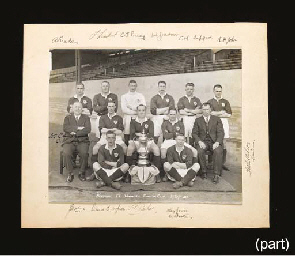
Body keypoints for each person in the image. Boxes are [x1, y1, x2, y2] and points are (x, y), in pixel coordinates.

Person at [87, 101, 127, 181]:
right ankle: (94, 172)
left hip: (117, 138)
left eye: (112, 106)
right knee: (95, 148)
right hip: (104, 138)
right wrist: (113, 129)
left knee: (125, 148)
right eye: (109, 106)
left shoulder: (119, 118)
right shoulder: (103, 117)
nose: (111, 108)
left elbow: (120, 131)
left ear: (115, 107)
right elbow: (102, 130)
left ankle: (125, 173)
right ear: (107, 107)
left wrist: (109, 130)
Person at [160, 107, 198, 181]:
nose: (172, 116)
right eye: (171, 114)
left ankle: (192, 173)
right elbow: (166, 136)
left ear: (176, 114)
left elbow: (181, 135)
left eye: (174, 114)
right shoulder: (165, 123)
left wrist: (171, 133)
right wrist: (175, 133)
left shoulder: (180, 123)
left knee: (194, 151)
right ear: (168, 114)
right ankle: (165, 173)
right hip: (168, 141)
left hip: (180, 140)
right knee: (163, 152)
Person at [126, 104, 161, 182]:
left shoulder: (150, 122)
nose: (141, 112)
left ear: (145, 111)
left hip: (148, 141)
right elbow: (132, 134)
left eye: (143, 110)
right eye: (139, 110)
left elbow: (151, 134)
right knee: (129, 148)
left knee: (156, 149)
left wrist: (139, 134)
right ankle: (128, 174)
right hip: (136, 141)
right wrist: (143, 134)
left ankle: (157, 173)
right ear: (137, 112)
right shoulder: (133, 122)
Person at [192, 102, 224, 184]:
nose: (205, 111)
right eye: (204, 109)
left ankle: (216, 174)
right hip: (203, 142)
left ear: (210, 110)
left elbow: (220, 133)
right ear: (202, 110)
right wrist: (199, 141)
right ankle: (203, 172)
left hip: (214, 142)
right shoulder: (198, 120)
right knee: (199, 151)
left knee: (218, 151)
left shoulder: (217, 119)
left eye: (207, 109)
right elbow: (194, 133)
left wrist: (217, 142)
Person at [62, 102, 91, 182]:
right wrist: (78, 128)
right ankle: (70, 173)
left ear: (82, 109)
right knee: (66, 153)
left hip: (82, 140)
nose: (77, 109)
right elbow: (65, 128)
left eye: (79, 107)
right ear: (72, 108)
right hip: (69, 140)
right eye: (76, 107)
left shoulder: (86, 118)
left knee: (84, 153)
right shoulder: (67, 118)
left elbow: (87, 129)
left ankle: (82, 172)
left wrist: (74, 131)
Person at [207, 84, 232, 172]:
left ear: (222, 91)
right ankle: (210, 162)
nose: (218, 93)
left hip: (224, 123)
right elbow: (209, 113)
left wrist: (216, 113)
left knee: (223, 143)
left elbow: (229, 114)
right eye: (217, 91)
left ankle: (222, 163)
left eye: (220, 91)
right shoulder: (210, 101)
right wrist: (221, 112)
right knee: (212, 140)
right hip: (213, 123)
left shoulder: (225, 101)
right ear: (214, 91)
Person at [121, 80, 146, 144]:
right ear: (129, 86)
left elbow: (143, 106)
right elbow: (124, 109)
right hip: (128, 118)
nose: (133, 87)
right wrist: (137, 110)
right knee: (127, 134)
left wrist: (131, 107)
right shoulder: (124, 96)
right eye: (131, 86)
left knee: (138, 134)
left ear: (136, 86)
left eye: (134, 86)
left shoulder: (140, 95)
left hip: (138, 118)